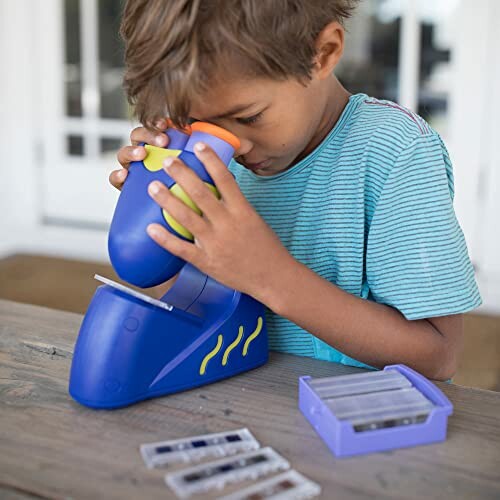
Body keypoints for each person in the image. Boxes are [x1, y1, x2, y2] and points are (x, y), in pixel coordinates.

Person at [110, 0, 481, 380]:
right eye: (194, 123)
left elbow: (438, 357)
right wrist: (161, 225)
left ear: (322, 54)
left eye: (248, 117)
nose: (230, 146)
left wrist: (272, 277)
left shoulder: (394, 151)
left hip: (356, 426)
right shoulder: (206, 161)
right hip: (242, 406)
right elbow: (194, 311)